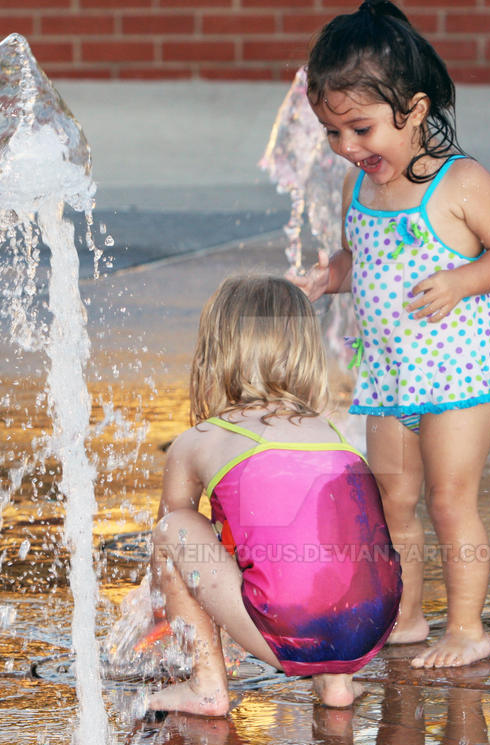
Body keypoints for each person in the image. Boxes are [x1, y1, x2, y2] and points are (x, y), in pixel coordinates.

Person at [289, 0, 490, 669]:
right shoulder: (357, 190)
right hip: (391, 378)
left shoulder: (463, 183)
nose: (347, 148)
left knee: (452, 501)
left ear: (415, 111)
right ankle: (406, 617)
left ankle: (467, 627)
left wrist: (460, 281)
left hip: (458, 376)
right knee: (393, 501)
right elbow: (359, 259)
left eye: (361, 130)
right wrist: (328, 276)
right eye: (333, 134)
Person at [141, 274, 402, 715]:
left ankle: (206, 685)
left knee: (174, 529)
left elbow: (171, 547)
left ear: (214, 354)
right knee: (327, 543)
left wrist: (157, 614)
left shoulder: (200, 440)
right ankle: (337, 684)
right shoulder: (331, 432)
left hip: (291, 631)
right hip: (374, 623)